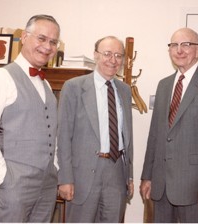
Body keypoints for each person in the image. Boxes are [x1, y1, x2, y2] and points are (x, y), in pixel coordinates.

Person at [0, 14, 60, 222]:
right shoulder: (0, 78)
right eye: (42, 38)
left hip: (46, 185)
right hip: (13, 185)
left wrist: (54, 167)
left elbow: (51, 133)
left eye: (53, 42)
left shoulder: (45, 84)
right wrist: (3, 177)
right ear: (24, 37)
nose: (47, 46)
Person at [140, 27, 198, 223]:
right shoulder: (163, 85)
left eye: (186, 44)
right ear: (169, 51)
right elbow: (155, 136)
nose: (179, 50)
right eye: (174, 45)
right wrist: (147, 176)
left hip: (195, 188)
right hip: (161, 185)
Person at [57, 36, 134, 222]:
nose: (113, 60)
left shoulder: (124, 90)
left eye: (118, 55)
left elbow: (127, 136)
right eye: (107, 54)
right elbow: (63, 136)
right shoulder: (74, 87)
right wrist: (65, 178)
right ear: (96, 55)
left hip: (116, 171)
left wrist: (129, 176)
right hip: (82, 173)